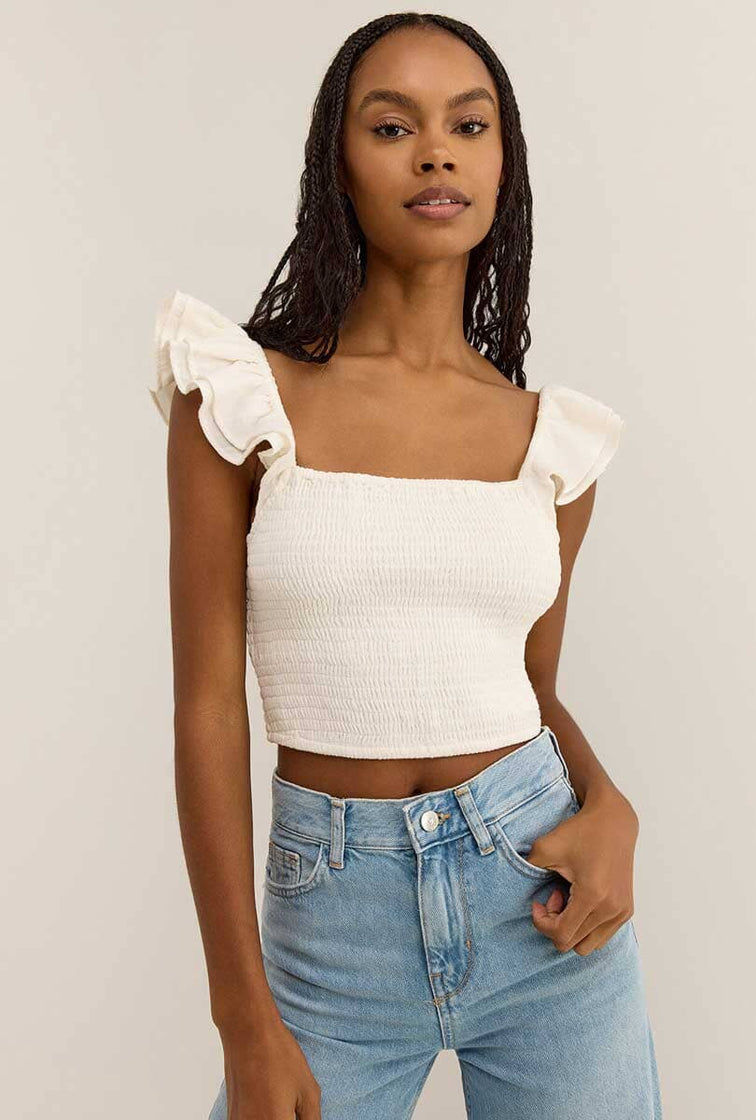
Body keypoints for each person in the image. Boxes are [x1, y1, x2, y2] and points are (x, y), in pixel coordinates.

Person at [149, 12, 662, 1120]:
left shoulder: (550, 441)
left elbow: (529, 689)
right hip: (330, 935)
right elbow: (208, 711)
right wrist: (243, 1016)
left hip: (543, 914)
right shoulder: (239, 401)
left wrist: (612, 805)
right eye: (392, 127)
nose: (436, 153)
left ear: (501, 166)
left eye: (467, 127)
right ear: (335, 164)